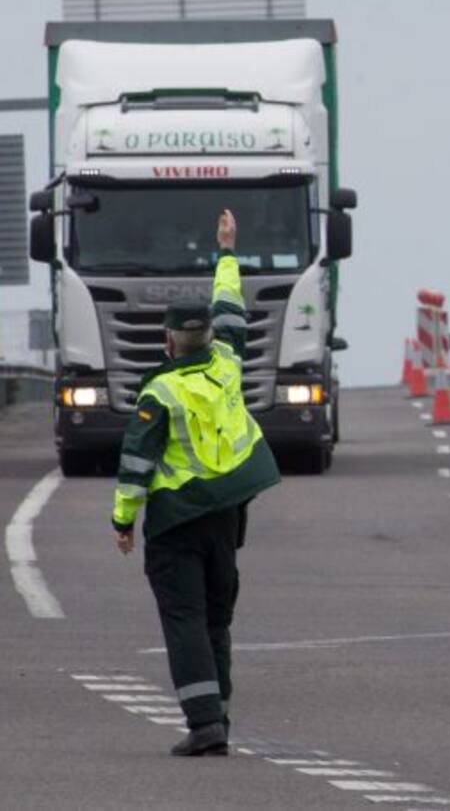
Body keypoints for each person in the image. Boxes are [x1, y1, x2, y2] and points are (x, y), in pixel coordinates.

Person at [112, 209, 280, 755]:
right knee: (215, 620)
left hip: (176, 521)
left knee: (184, 618)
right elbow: (231, 304)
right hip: (227, 515)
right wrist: (226, 250)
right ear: (208, 335)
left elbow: (136, 466)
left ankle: (204, 723)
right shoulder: (227, 363)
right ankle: (219, 716)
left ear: (167, 342)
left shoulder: (160, 392)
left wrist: (122, 521)